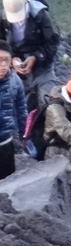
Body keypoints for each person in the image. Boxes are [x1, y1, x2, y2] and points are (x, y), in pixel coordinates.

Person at [0, 0, 58, 110]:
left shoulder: (40, 16)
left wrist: (35, 57)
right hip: (16, 71)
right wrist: (11, 58)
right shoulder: (3, 18)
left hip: (42, 68)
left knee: (50, 103)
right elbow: (1, 43)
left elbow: (52, 43)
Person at [0, 39, 26, 180]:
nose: (3, 64)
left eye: (6, 60)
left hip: (6, 142)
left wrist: (23, 135)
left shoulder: (15, 81)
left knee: (7, 184)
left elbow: (21, 110)